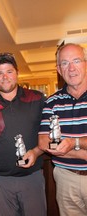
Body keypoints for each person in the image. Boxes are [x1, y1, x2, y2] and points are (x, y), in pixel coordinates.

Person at [0, 52, 47, 216]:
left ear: (17, 73)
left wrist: (36, 152)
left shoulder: (37, 99)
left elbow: (48, 135)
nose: (4, 77)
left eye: (9, 71)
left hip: (32, 178)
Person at [38, 43, 87, 216]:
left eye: (76, 61)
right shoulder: (52, 102)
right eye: (65, 63)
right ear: (59, 69)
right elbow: (44, 141)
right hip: (65, 179)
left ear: (85, 63)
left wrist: (73, 142)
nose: (71, 68)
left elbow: (55, 145)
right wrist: (82, 152)